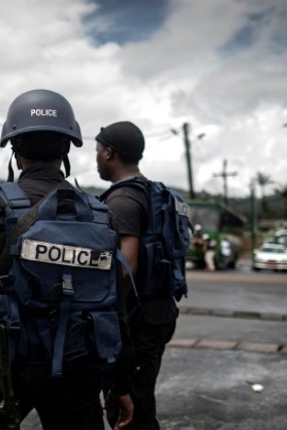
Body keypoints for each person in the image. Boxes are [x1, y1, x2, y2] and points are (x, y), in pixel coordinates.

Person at [0, 90, 133, 430]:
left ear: (14, 147)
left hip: (6, 369)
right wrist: (121, 385)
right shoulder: (101, 217)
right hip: (80, 370)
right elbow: (116, 309)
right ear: (67, 147)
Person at [95, 120, 178, 430]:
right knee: (140, 402)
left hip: (136, 320)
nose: (96, 156)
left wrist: (109, 323)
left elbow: (126, 269)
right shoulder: (152, 191)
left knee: (129, 411)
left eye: (98, 149)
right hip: (158, 311)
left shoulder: (123, 199)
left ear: (109, 153)